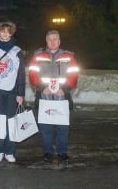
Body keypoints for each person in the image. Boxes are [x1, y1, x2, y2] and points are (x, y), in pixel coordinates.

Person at [28, 30, 79, 164]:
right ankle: (48, 152)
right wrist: (41, 86)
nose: (52, 42)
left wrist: (64, 88)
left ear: (59, 41)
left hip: (62, 96)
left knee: (63, 127)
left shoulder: (68, 56)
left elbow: (73, 74)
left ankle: (62, 152)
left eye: (55, 39)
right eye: (50, 39)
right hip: (44, 95)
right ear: (46, 41)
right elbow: (33, 73)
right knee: (46, 126)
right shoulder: (38, 55)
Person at [0, 21, 26, 163]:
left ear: (11, 33)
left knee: (11, 123)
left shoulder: (17, 51)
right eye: (2, 31)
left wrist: (20, 94)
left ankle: (9, 151)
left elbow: (21, 74)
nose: (5, 33)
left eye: (7, 31)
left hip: (12, 93)